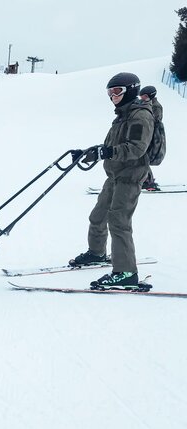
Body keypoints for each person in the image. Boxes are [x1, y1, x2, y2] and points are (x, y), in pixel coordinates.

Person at [70, 72, 154, 289]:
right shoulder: (122, 116)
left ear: (131, 90)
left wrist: (107, 152)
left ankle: (126, 272)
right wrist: (88, 153)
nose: (112, 96)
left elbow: (137, 148)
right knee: (98, 216)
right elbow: (110, 147)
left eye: (117, 91)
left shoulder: (140, 116)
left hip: (130, 177)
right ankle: (97, 253)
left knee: (119, 222)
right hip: (114, 176)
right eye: (110, 92)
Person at [139, 85, 163, 191]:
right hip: (146, 133)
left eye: (144, 96)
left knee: (144, 158)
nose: (142, 98)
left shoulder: (155, 106)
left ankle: (148, 181)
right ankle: (148, 179)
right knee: (143, 157)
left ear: (150, 95)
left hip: (152, 135)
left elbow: (155, 120)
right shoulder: (146, 104)